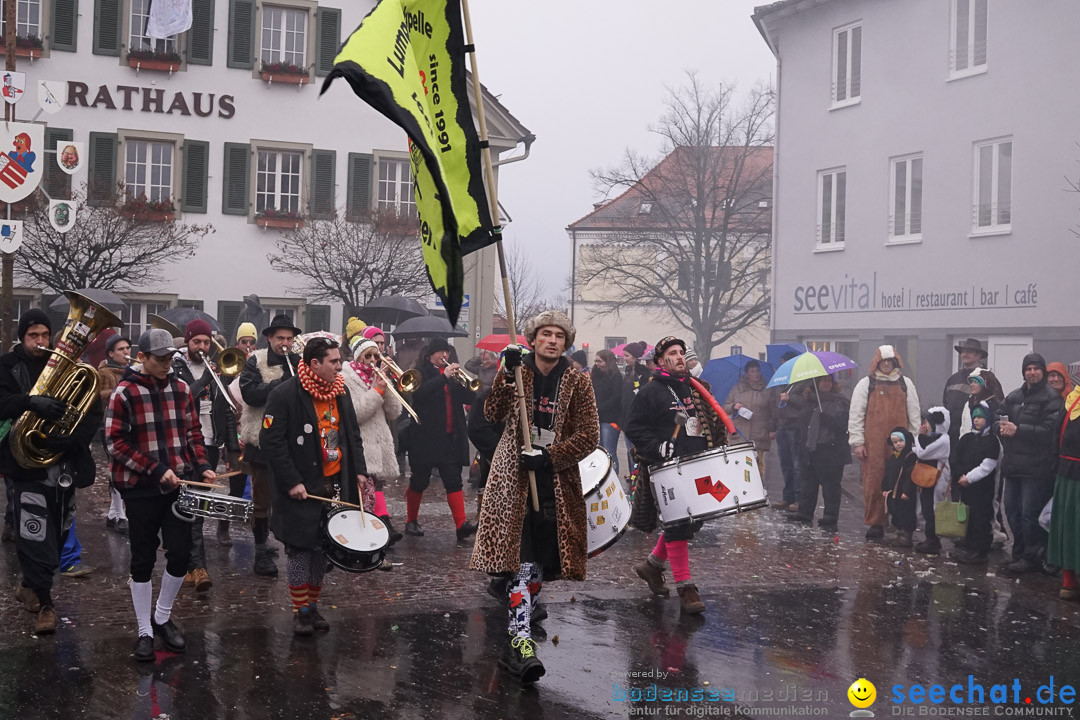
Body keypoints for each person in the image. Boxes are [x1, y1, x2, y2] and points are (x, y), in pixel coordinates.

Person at [470, 310, 598, 684]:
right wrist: (505, 375)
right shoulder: (517, 370)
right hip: (513, 480)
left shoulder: (577, 380)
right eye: (546, 333)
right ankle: (521, 643)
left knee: (539, 563)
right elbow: (492, 413)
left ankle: (519, 638)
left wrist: (550, 455)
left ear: (566, 342)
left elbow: (589, 435)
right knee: (521, 564)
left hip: (555, 483)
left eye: (559, 335)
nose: (553, 340)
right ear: (533, 338)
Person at [107, 328, 216, 662]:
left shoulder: (182, 389)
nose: (168, 364)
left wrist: (202, 466)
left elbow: (193, 432)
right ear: (143, 358)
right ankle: (144, 630)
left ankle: (162, 617)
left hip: (178, 485)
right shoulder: (124, 392)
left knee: (181, 554)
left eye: (171, 357)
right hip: (140, 489)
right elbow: (115, 443)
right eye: (161, 359)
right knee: (142, 558)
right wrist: (155, 469)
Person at [261, 336, 373, 636]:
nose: (340, 367)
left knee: (322, 549)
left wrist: (359, 472)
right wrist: (292, 481)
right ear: (314, 364)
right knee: (299, 550)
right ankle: (300, 611)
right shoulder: (284, 394)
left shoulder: (341, 392)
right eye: (334, 362)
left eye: (339, 361)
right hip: (301, 487)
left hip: (335, 484)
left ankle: (313, 605)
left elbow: (352, 435)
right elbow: (271, 442)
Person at [0, 309, 101, 635]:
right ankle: (46, 604)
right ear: (22, 337)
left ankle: (30, 584)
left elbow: (90, 410)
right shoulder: (6, 365)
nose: (41, 342)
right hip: (24, 464)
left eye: (45, 335)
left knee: (58, 533)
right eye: (34, 336)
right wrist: (32, 403)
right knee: (33, 532)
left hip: (61, 462)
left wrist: (73, 440)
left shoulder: (66, 366)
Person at [627, 336, 734, 615]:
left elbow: (710, 424)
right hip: (666, 469)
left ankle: (652, 567)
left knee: (691, 522)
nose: (678, 357)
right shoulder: (651, 391)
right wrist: (656, 446)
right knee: (677, 524)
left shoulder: (695, 388)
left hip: (698, 465)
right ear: (661, 361)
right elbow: (634, 429)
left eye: (681, 353)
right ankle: (686, 587)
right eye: (672, 354)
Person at [239, 314, 302, 577]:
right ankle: (261, 550)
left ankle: (294, 544)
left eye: (289, 338)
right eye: (280, 338)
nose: (285, 343)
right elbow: (250, 395)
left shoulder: (299, 362)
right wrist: (279, 385)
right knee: (262, 500)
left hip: (292, 441)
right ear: (270, 338)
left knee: (291, 496)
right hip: (261, 439)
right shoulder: (256, 360)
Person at [171, 319, 231, 593]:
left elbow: (224, 408)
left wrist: (231, 444)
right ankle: (197, 566)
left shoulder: (215, 369)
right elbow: (181, 399)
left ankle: (187, 563)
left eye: (207, 342)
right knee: (189, 506)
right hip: (185, 445)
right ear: (187, 342)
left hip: (209, 445)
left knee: (198, 507)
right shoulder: (176, 367)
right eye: (197, 342)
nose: (203, 347)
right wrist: (207, 378)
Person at [404, 338, 477, 541]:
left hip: (449, 438)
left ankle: (461, 525)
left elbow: (468, 398)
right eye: (440, 352)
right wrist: (443, 377)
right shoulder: (421, 372)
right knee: (419, 481)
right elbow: (419, 395)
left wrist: (470, 386)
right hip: (425, 438)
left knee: (454, 481)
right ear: (430, 356)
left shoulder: (452, 376)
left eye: (446, 352)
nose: (444, 356)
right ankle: (411, 520)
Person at [998, 353, 1064, 574]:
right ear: (1023, 372)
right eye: (1028, 369)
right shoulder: (1015, 396)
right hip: (1013, 465)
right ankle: (1018, 553)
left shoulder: (1052, 397)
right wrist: (1002, 427)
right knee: (1012, 512)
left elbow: (1049, 431)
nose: (1032, 372)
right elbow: (1000, 414)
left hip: (1036, 468)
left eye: (1036, 369)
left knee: (1029, 514)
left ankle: (1032, 555)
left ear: (1043, 372)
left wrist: (1018, 430)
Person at [847, 345, 921, 541]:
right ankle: (876, 522)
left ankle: (902, 524)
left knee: (903, 481)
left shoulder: (906, 384)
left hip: (902, 444)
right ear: (877, 362)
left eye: (890, 360)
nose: (886, 364)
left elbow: (914, 414)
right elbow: (856, 414)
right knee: (873, 482)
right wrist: (858, 442)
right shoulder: (866, 384)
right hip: (873, 444)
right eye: (883, 361)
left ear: (895, 362)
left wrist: (914, 442)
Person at [341, 337, 403, 546]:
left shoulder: (377, 376)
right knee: (363, 497)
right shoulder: (346, 378)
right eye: (367, 356)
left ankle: (378, 533)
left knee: (372, 492)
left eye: (375, 355)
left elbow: (394, 413)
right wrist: (376, 391)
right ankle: (369, 537)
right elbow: (356, 413)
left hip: (380, 444)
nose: (372, 360)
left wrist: (388, 387)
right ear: (358, 357)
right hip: (362, 445)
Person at [787, 374, 849, 528]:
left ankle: (830, 516)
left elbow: (844, 425)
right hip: (810, 449)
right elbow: (802, 424)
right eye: (823, 380)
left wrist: (828, 419)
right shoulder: (809, 401)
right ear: (816, 383)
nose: (826, 384)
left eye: (829, 381)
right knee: (808, 483)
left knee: (830, 485)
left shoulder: (840, 401)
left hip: (830, 450)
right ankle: (805, 512)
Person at [950, 402, 1002, 565]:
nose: (977, 420)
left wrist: (969, 478)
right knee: (969, 518)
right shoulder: (967, 438)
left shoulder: (992, 441)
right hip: (966, 487)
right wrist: (959, 476)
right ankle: (971, 548)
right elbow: (956, 459)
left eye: (980, 417)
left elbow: (987, 465)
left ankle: (980, 551)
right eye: (975, 417)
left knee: (981, 518)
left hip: (983, 488)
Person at [1048, 381, 1080, 598]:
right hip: (1069, 470)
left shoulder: (1071, 399)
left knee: (1070, 525)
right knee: (1071, 525)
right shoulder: (1070, 400)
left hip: (1067, 469)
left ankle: (1069, 581)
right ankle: (1069, 580)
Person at [98, 333, 131, 535]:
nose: (126, 352)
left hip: (129, 425)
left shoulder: (132, 370)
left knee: (125, 470)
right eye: (121, 349)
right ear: (111, 353)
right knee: (116, 470)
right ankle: (120, 515)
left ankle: (113, 514)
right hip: (109, 425)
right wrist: (120, 388)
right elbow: (98, 396)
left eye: (127, 348)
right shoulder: (103, 372)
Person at [725, 360, 775, 483]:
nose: (756, 374)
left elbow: (773, 411)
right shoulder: (736, 389)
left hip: (760, 433)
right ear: (747, 374)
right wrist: (733, 406)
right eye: (752, 371)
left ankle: (759, 490)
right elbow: (724, 408)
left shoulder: (768, 390)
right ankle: (742, 490)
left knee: (757, 464)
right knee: (740, 464)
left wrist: (772, 429)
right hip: (740, 434)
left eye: (757, 371)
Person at [911, 407, 951, 554]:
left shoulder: (943, 440)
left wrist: (918, 436)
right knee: (926, 507)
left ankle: (933, 540)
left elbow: (922, 452)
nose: (925, 425)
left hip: (937, 479)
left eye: (928, 422)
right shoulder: (933, 438)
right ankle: (929, 538)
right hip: (928, 477)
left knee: (933, 509)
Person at [943, 338, 988, 446]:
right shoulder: (953, 379)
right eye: (963, 352)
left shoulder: (987, 378)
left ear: (979, 356)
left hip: (976, 436)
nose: (965, 354)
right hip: (953, 436)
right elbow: (946, 403)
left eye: (969, 352)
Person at [881, 428, 917, 548]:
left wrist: (907, 491)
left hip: (904, 493)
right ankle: (899, 533)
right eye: (895, 442)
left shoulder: (910, 457)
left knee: (906, 514)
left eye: (901, 441)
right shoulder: (893, 457)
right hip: (894, 492)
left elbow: (910, 475)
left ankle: (906, 536)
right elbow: (887, 474)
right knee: (896, 513)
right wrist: (885, 488)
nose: (898, 444)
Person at [591, 349, 624, 474]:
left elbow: (616, 397)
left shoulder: (616, 377)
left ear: (607, 362)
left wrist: (600, 408)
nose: (597, 364)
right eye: (596, 361)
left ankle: (613, 477)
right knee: (598, 452)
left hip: (610, 419)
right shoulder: (595, 375)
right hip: (597, 418)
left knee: (609, 451)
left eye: (600, 361)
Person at [620, 341, 651, 474]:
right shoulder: (627, 372)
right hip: (626, 418)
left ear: (634, 357)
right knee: (629, 452)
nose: (624, 358)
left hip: (637, 420)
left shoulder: (644, 375)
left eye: (627, 355)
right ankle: (632, 478)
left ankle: (637, 480)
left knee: (637, 452)